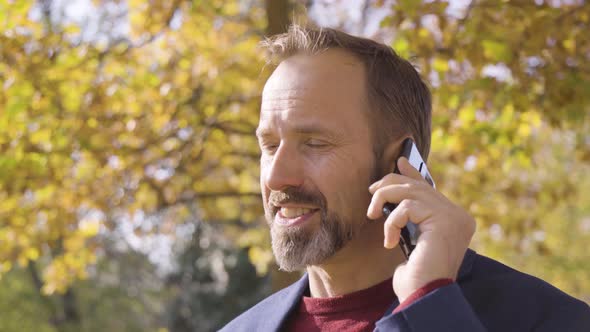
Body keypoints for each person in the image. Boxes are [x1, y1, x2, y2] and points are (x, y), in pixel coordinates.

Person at [220, 24, 590, 332]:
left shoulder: (551, 320)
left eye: (315, 143)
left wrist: (428, 304)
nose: (278, 176)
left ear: (397, 161)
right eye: (269, 146)